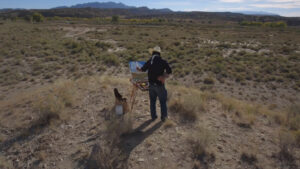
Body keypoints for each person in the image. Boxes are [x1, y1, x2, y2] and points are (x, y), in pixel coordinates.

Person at [137, 46, 172, 122]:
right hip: (159, 85)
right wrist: (163, 76)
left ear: (153, 53)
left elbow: (142, 69)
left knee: (152, 101)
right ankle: (164, 117)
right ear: (159, 53)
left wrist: (137, 69)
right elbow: (169, 71)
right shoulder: (163, 61)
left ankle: (153, 116)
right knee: (162, 101)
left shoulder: (150, 61)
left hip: (151, 85)